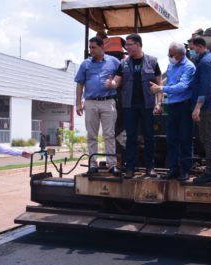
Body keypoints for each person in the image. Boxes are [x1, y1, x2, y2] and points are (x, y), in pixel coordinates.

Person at [105, 33, 163, 179]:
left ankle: (150, 168)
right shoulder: (123, 63)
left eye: (129, 44)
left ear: (138, 44)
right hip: (129, 106)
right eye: (127, 45)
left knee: (149, 137)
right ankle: (130, 168)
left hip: (147, 105)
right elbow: (117, 82)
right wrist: (111, 84)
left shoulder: (152, 61)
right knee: (130, 137)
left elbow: (159, 85)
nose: (127, 47)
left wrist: (159, 103)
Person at [74, 36, 121, 176]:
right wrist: (78, 103)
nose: (91, 50)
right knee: (91, 135)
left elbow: (121, 77)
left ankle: (112, 165)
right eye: (89, 47)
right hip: (91, 102)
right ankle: (92, 164)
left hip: (108, 101)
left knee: (109, 134)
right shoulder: (85, 64)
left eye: (93, 47)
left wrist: (114, 84)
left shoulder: (114, 62)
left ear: (102, 47)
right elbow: (79, 84)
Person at [150, 42, 196, 181]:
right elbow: (169, 83)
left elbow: (182, 86)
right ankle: (173, 168)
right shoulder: (170, 66)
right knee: (171, 139)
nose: (170, 57)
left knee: (185, 139)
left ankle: (186, 170)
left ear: (181, 54)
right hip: (172, 106)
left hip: (184, 106)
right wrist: (160, 90)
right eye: (169, 54)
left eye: (172, 54)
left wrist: (161, 89)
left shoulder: (189, 67)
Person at [191, 36, 211, 184]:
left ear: (199, 47)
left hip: (208, 107)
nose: (191, 52)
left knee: (208, 138)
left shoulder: (205, 62)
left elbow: (205, 87)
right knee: (207, 138)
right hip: (209, 106)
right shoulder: (208, 59)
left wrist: (197, 107)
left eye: (192, 49)